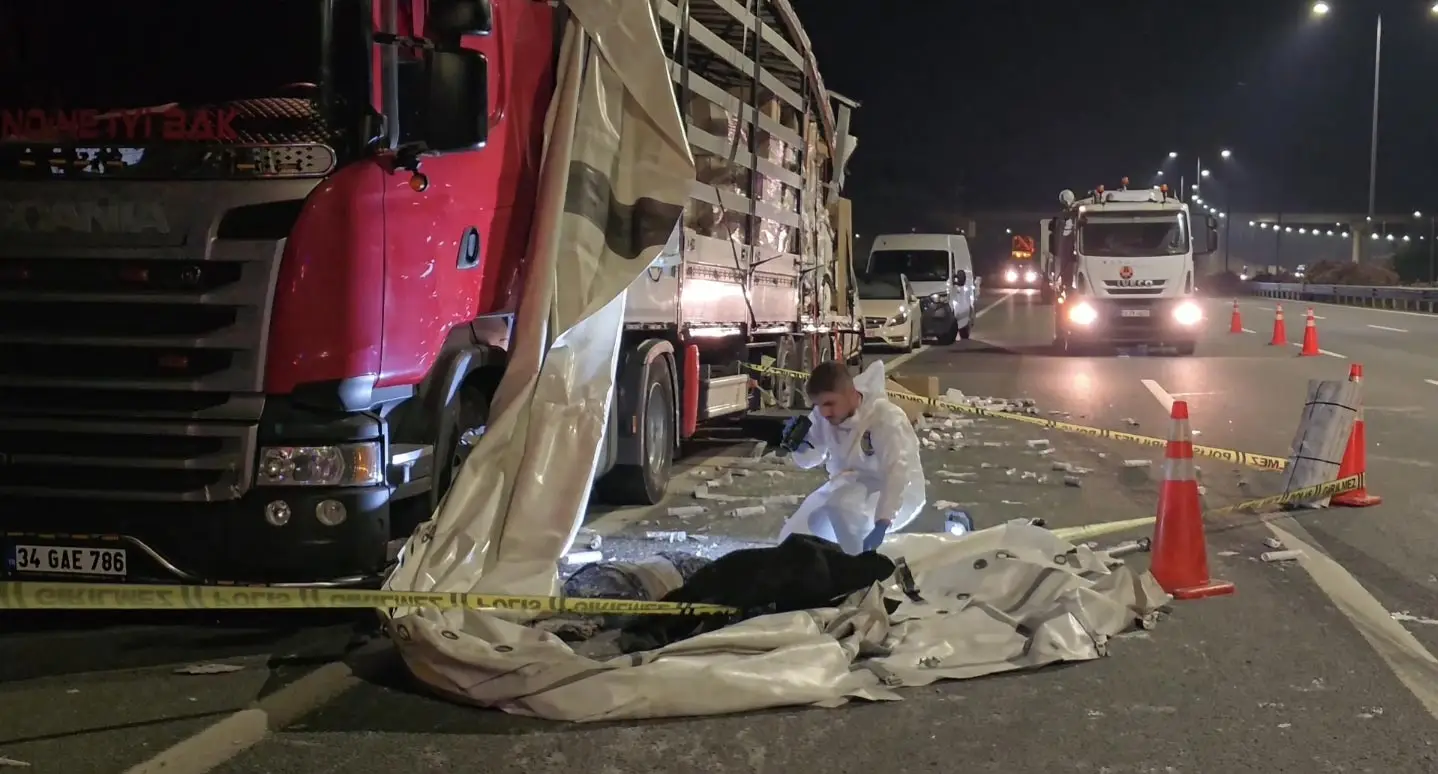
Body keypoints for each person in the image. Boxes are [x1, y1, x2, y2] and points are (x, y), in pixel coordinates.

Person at [776, 358, 926, 554]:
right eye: (818, 405)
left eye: (829, 403)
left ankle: (861, 571)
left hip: (899, 491)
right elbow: (811, 459)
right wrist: (798, 445)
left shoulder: (885, 417)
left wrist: (883, 520)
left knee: (842, 507)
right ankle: (828, 570)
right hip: (850, 485)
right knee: (795, 535)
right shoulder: (825, 414)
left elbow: (897, 472)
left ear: (851, 393)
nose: (824, 412)